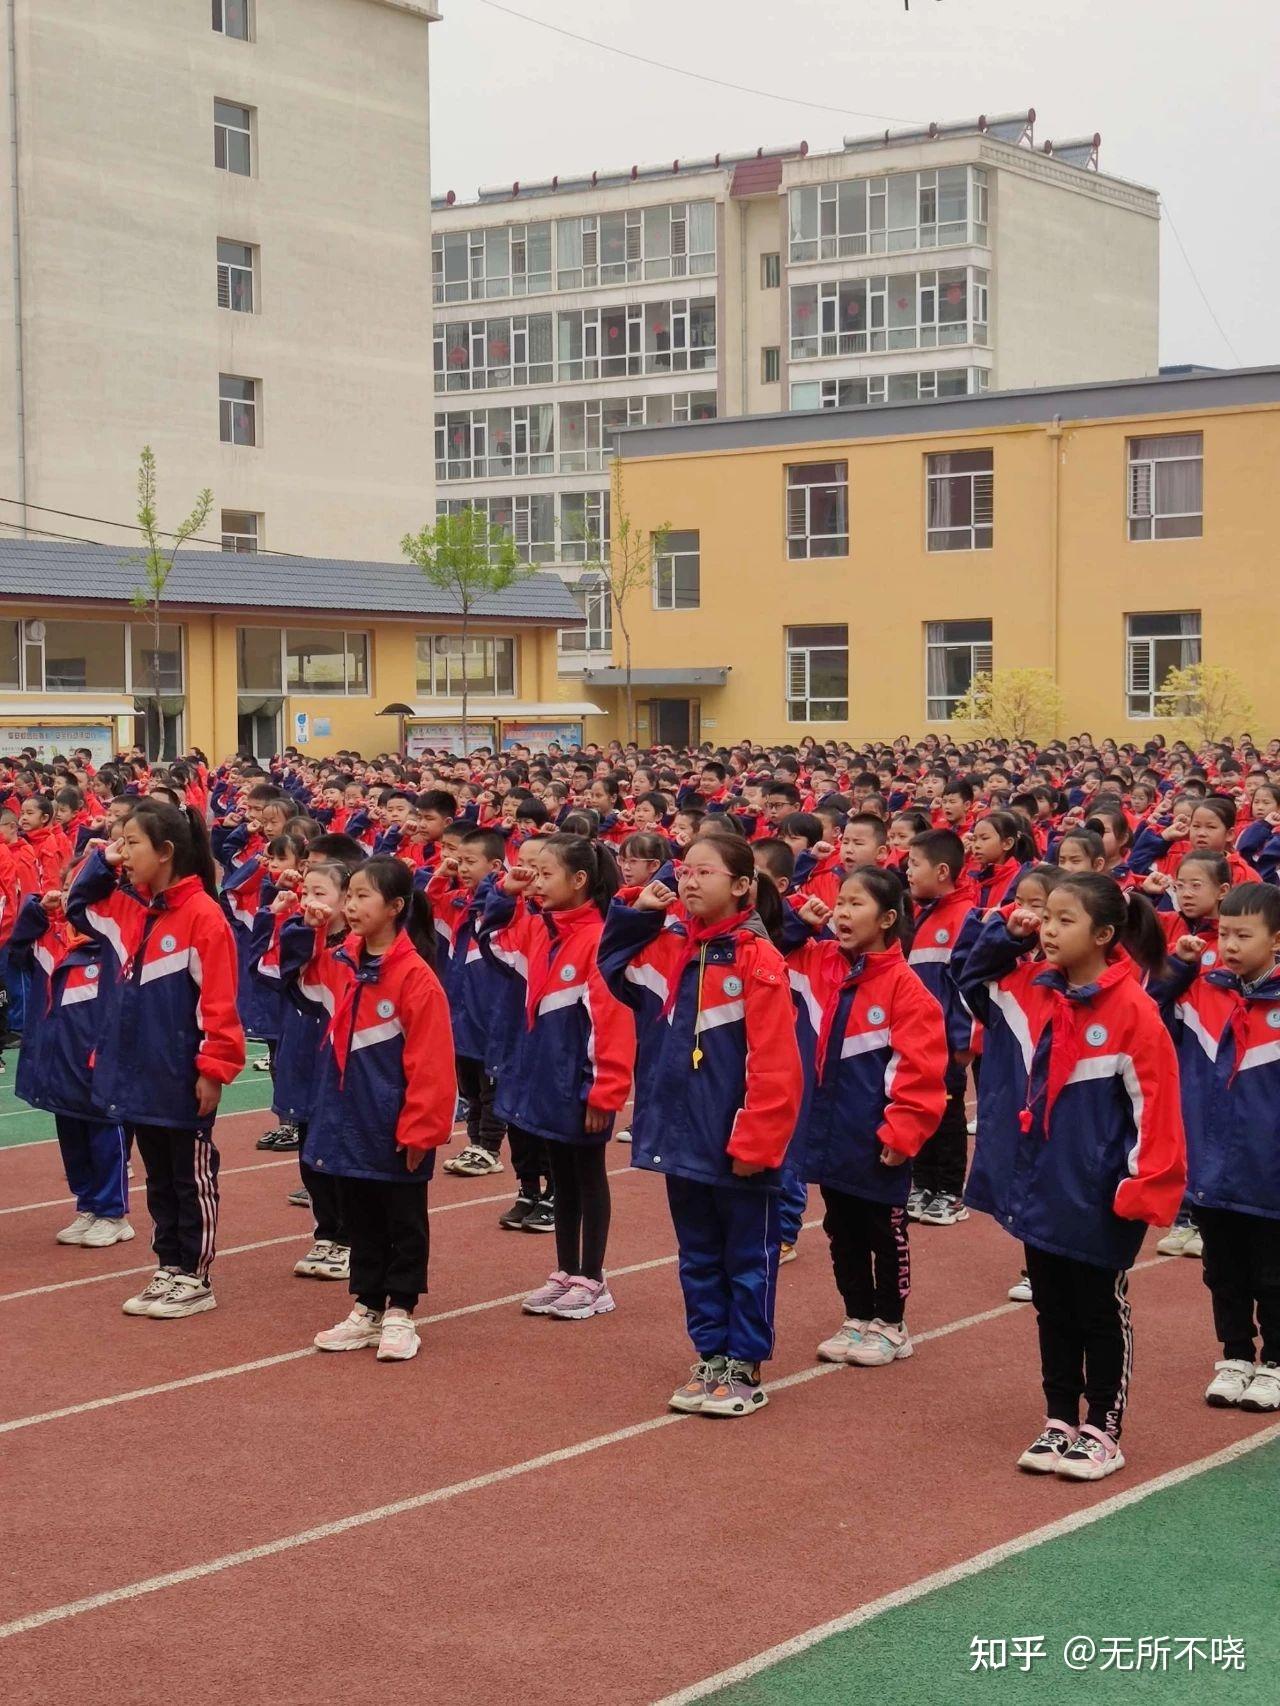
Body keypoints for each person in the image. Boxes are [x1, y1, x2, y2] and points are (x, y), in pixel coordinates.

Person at [957, 874, 1186, 1480]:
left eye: (1064, 920)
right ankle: (1060, 1416)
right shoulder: (1027, 988)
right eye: (1045, 917)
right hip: (1038, 1186)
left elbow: (1156, 1108)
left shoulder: (1134, 1012)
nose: (1049, 929)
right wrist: (1004, 938)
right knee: (1051, 1306)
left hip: (1096, 1193)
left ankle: (1103, 1427)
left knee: (1097, 1308)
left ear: (1106, 934)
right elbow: (969, 983)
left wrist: (1142, 1186)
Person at [599, 835, 802, 1416]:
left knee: (747, 1252)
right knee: (697, 1252)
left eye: (703, 872)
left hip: (736, 1141)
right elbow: (613, 967)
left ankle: (745, 1361)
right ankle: (710, 1352)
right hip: (679, 1136)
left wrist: (757, 1142)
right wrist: (635, 913)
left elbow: (775, 1064)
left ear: (742, 886)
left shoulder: (757, 959)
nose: (688, 882)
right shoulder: (668, 948)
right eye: (683, 871)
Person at [67, 801, 246, 1318]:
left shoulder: (202, 916)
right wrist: (102, 860)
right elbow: (80, 906)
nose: (122, 853)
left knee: (190, 1176)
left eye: (132, 844)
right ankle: (168, 1264)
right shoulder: (130, 909)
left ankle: (195, 1274)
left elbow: (219, 1003)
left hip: (181, 1076)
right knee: (158, 1177)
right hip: (137, 1074)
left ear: (165, 852)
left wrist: (214, 1069)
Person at [291, 857, 456, 1362]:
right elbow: (288, 980)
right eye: (350, 895)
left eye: (363, 896)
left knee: (402, 1216)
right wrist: (307, 933)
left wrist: (420, 1130)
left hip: (393, 1123)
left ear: (395, 907)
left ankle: (401, 1309)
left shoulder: (415, 978)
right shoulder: (340, 960)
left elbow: (431, 1063)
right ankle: (366, 1305)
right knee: (358, 1213)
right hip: (345, 1116)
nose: (351, 905)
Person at [786, 871, 947, 1367]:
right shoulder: (819, 963)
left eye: (856, 904)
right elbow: (775, 953)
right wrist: (797, 923)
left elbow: (920, 1070)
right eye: (840, 903)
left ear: (888, 918)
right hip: (830, 1133)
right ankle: (856, 1316)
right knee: (841, 1228)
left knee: (884, 1230)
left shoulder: (905, 989)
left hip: (875, 1137)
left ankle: (891, 1323)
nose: (842, 913)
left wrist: (903, 1130)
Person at [478, 835, 635, 1319]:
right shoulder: (540, 929)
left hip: (580, 1083)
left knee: (588, 1175)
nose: (537, 883)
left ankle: (594, 1279)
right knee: (561, 1178)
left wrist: (604, 1091)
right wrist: (504, 894)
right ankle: (567, 1271)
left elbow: (612, 1022)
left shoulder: (599, 937)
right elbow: (492, 943)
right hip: (544, 1075)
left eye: (546, 875)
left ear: (580, 880)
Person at [1153, 883, 1280, 1413]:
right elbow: (1142, 1011)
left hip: (1269, 1174)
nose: (1228, 944)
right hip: (1210, 1168)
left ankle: (1274, 1360)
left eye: (1242, 935)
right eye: (1223, 932)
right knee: (1222, 1271)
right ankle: (1234, 1355)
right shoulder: (1199, 989)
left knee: (1272, 1274)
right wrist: (1178, 969)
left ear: (1277, 941)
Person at [8, 877, 132, 1247]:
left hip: (94, 1065)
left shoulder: (110, 948)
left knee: (102, 1133)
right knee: (72, 1137)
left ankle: (114, 1213)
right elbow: (16, 951)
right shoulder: (52, 940)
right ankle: (88, 1205)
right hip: (58, 1065)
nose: (67, 896)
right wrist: (37, 909)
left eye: (77, 890)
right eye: (66, 887)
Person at [903, 828, 978, 1226]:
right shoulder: (920, 912)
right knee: (917, 1106)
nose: (907, 871)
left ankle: (949, 1192)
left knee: (946, 1114)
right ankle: (922, 1183)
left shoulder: (965, 916)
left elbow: (968, 986)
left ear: (943, 870)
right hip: (916, 1035)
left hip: (946, 1039)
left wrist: (963, 1039)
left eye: (915, 864)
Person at [428, 829, 511, 1181]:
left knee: (491, 1083)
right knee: (470, 1086)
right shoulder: (457, 902)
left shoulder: (503, 907)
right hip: (459, 1010)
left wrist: (494, 884)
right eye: (458, 860)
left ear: (494, 866)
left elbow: (491, 907)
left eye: (469, 862)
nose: (460, 867)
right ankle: (476, 1143)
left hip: (490, 1011)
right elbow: (427, 904)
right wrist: (438, 877)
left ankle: (489, 1146)